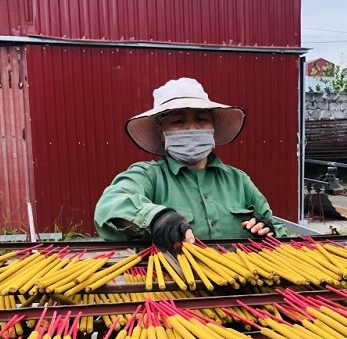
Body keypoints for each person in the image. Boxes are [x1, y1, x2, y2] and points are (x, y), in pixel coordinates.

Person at [94, 78, 286, 249]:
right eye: (178, 121)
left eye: (201, 119)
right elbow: (110, 206)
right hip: (169, 285)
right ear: (162, 132)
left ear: (213, 126)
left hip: (240, 285)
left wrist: (269, 230)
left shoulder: (238, 180)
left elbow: (279, 231)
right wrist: (157, 218)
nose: (192, 128)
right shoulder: (148, 176)